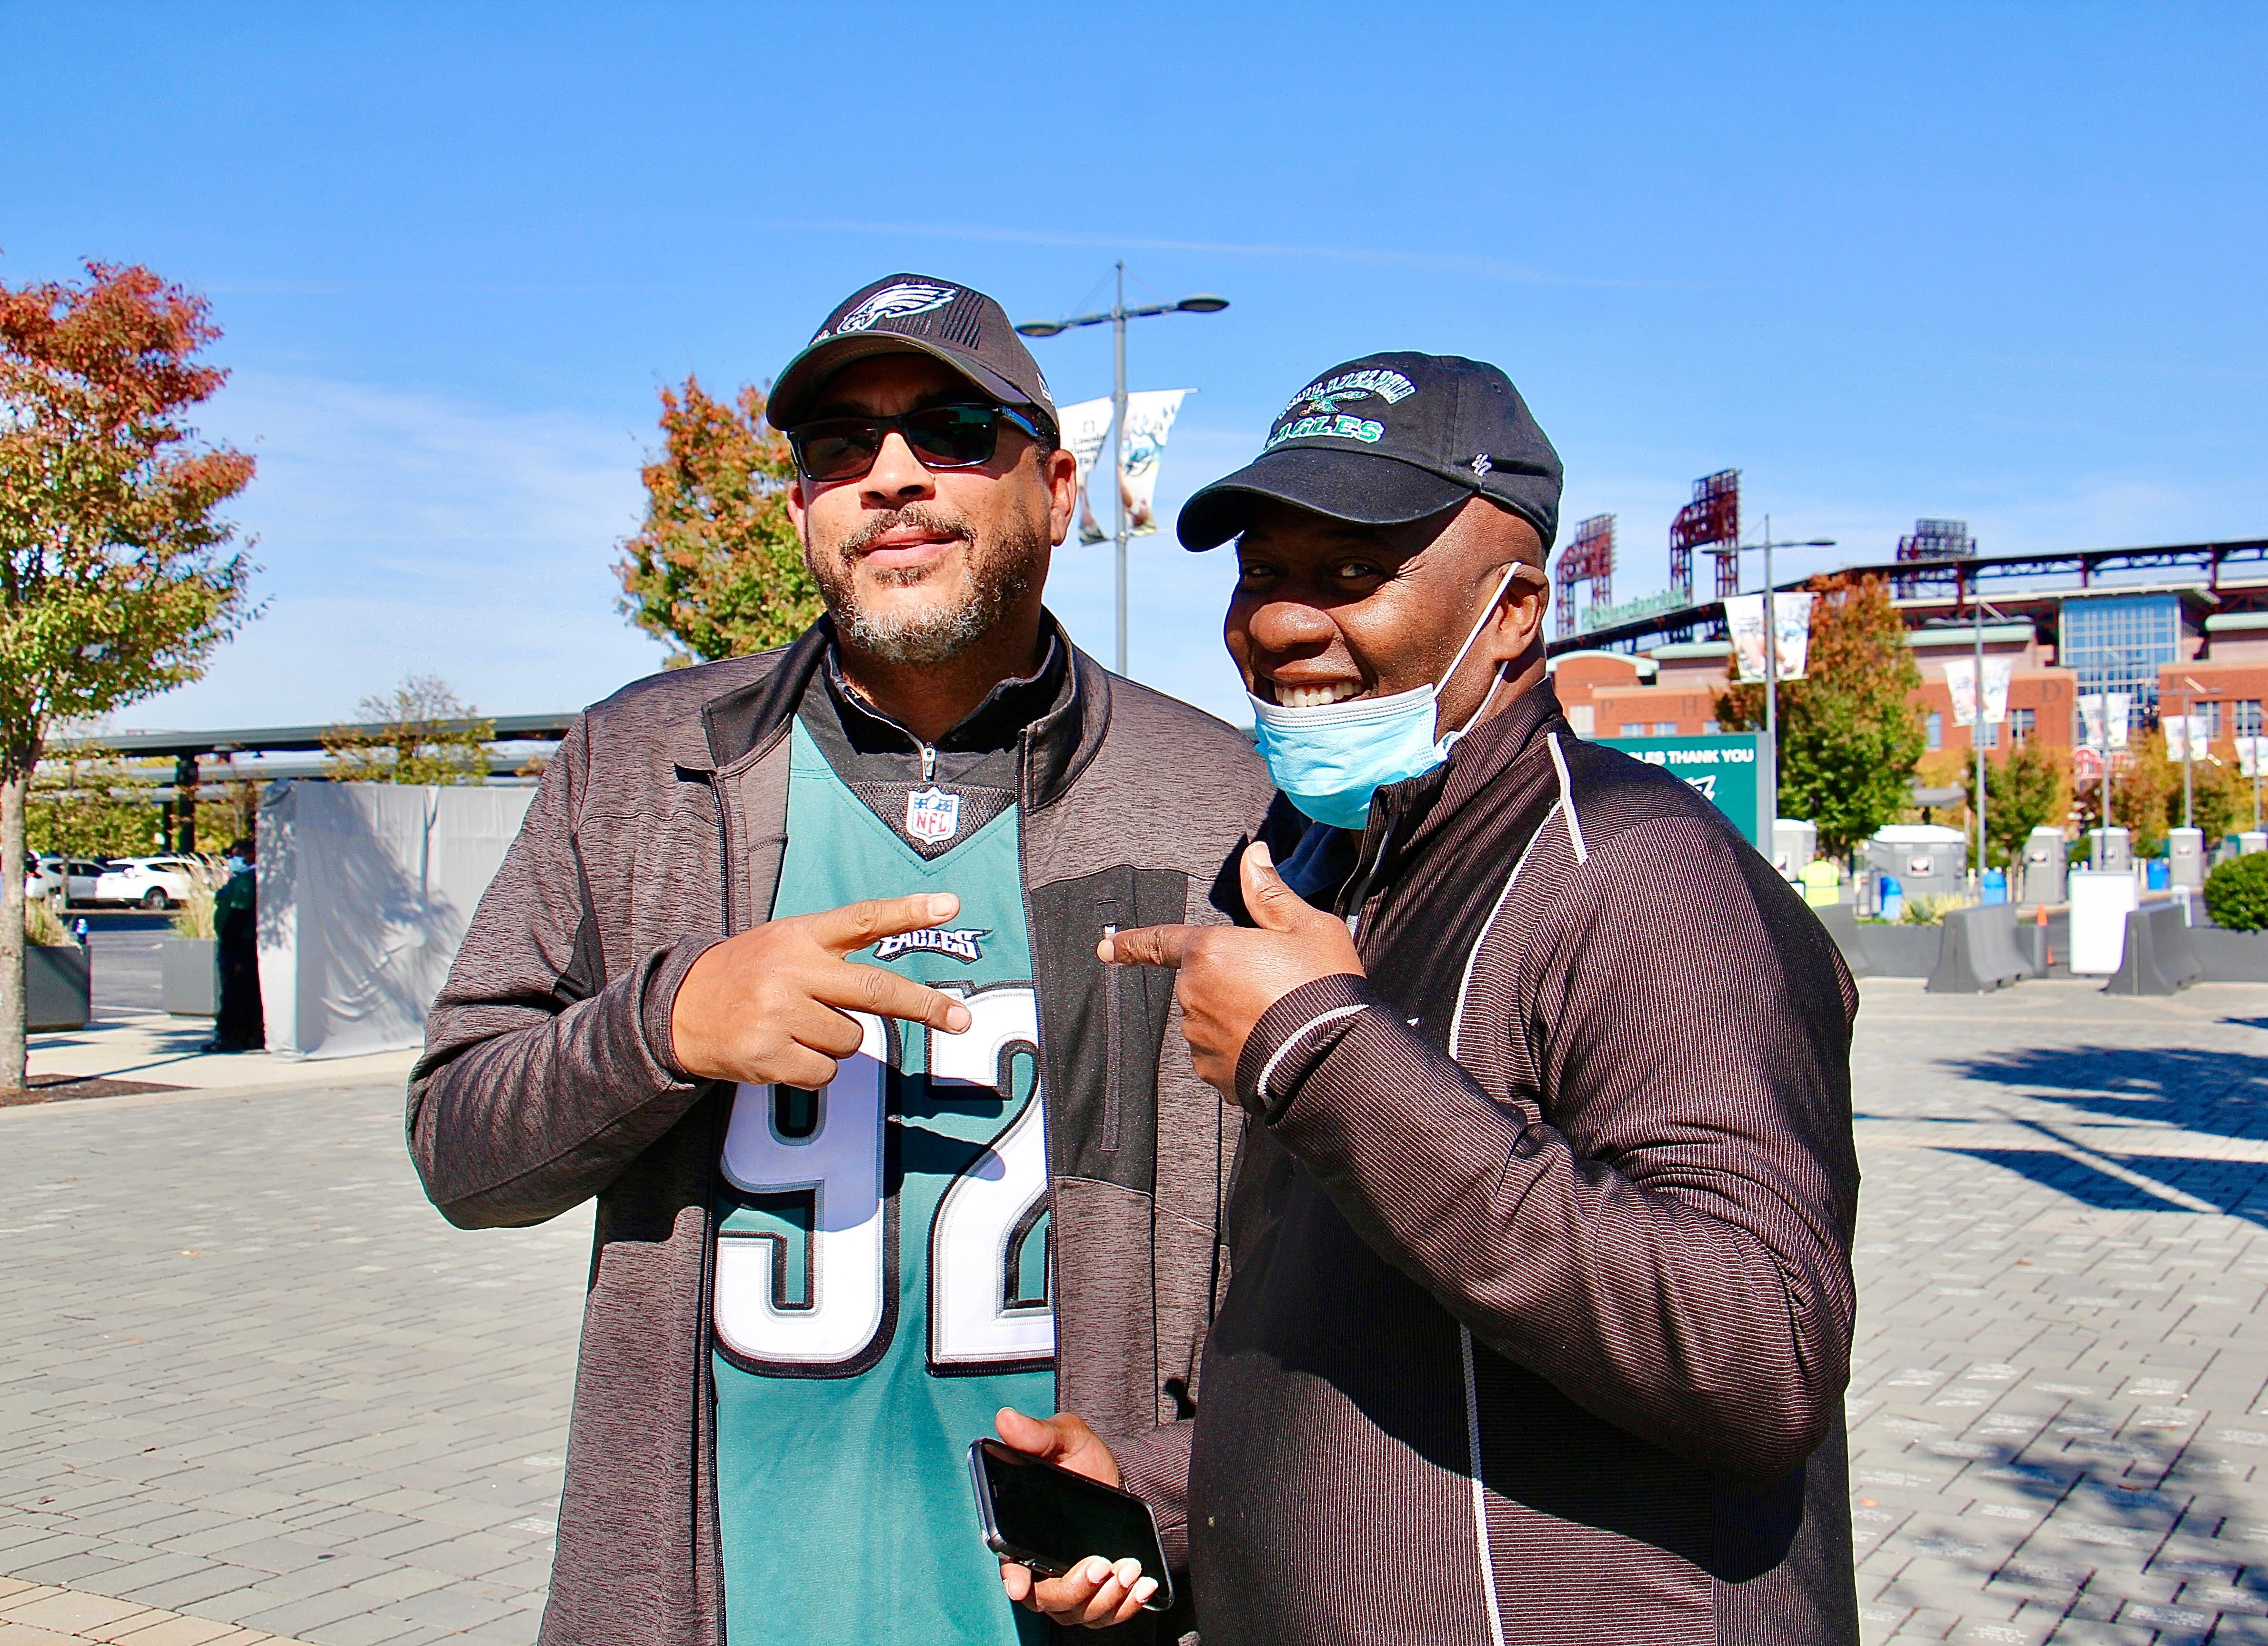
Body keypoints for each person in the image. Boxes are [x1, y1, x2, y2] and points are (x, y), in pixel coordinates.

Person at [408, 273, 1272, 1646]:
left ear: (1056, 487)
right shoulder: (643, 769)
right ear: (801, 505)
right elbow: (460, 1151)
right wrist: (666, 1028)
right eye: (838, 447)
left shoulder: (1213, 799)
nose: (889, 477)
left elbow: (1294, 1278)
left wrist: (1164, 1505)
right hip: (723, 1601)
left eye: (949, 431)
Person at [1089, 352, 1862, 1642]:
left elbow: (1759, 1350)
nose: (1280, 622)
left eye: (1352, 575)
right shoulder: (1339, 864)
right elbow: (1393, 1351)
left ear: (1514, 614)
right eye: (1264, 571)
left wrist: (1327, 1056)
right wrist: (1158, 1499)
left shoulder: (1636, 872)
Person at [203, 837, 262, 1053]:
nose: (233, 860)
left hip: (239, 945)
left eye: (237, 855)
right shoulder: (245, 879)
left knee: (234, 991)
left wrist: (232, 945)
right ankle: (249, 1034)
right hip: (242, 944)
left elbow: (238, 914)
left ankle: (231, 1036)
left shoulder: (247, 881)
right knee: (246, 991)